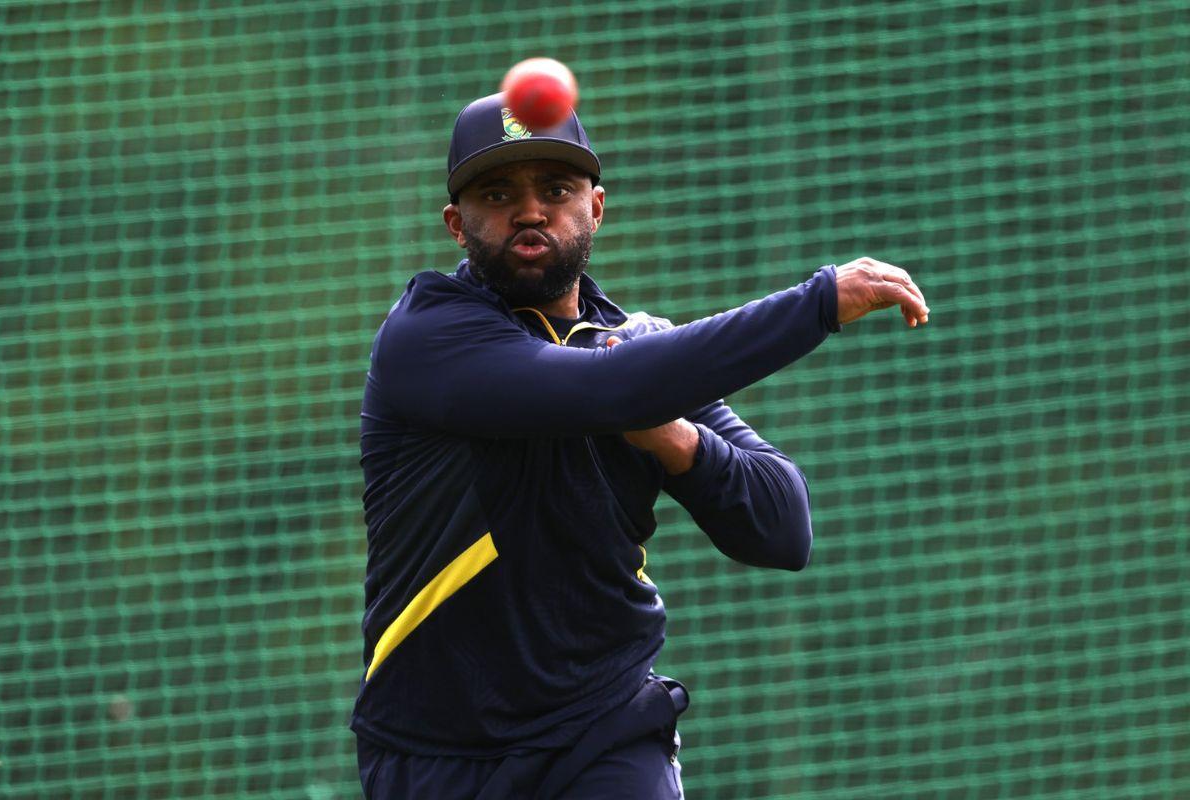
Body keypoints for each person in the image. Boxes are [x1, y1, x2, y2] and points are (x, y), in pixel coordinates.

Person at [351, 93, 929, 799]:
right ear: (456, 225)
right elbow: (608, 388)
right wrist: (815, 304)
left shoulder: (638, 352)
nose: (530, 210)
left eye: (556, 190)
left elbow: (784, 526)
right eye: (498, 193)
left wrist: (676, 437)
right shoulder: (428, 336)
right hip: (438, 755)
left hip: (604, 730)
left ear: (596, 208)